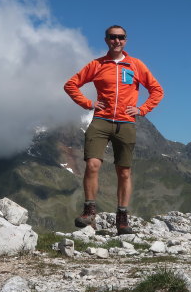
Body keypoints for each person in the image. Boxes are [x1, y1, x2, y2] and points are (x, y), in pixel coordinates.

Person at [64, 25, 164, 235]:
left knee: (124, 172)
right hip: (100, 120)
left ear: (125, 40)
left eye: (120, 37)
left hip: (126, 123)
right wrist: (88, 103)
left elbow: (156, 90)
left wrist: (142, 109)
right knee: (92, 164)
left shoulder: (135, 65)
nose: (116, 41)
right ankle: (89, 211)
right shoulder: (97, 64)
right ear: (106, 39)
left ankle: (122, 219)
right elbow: (71, 84)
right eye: (112, 37)